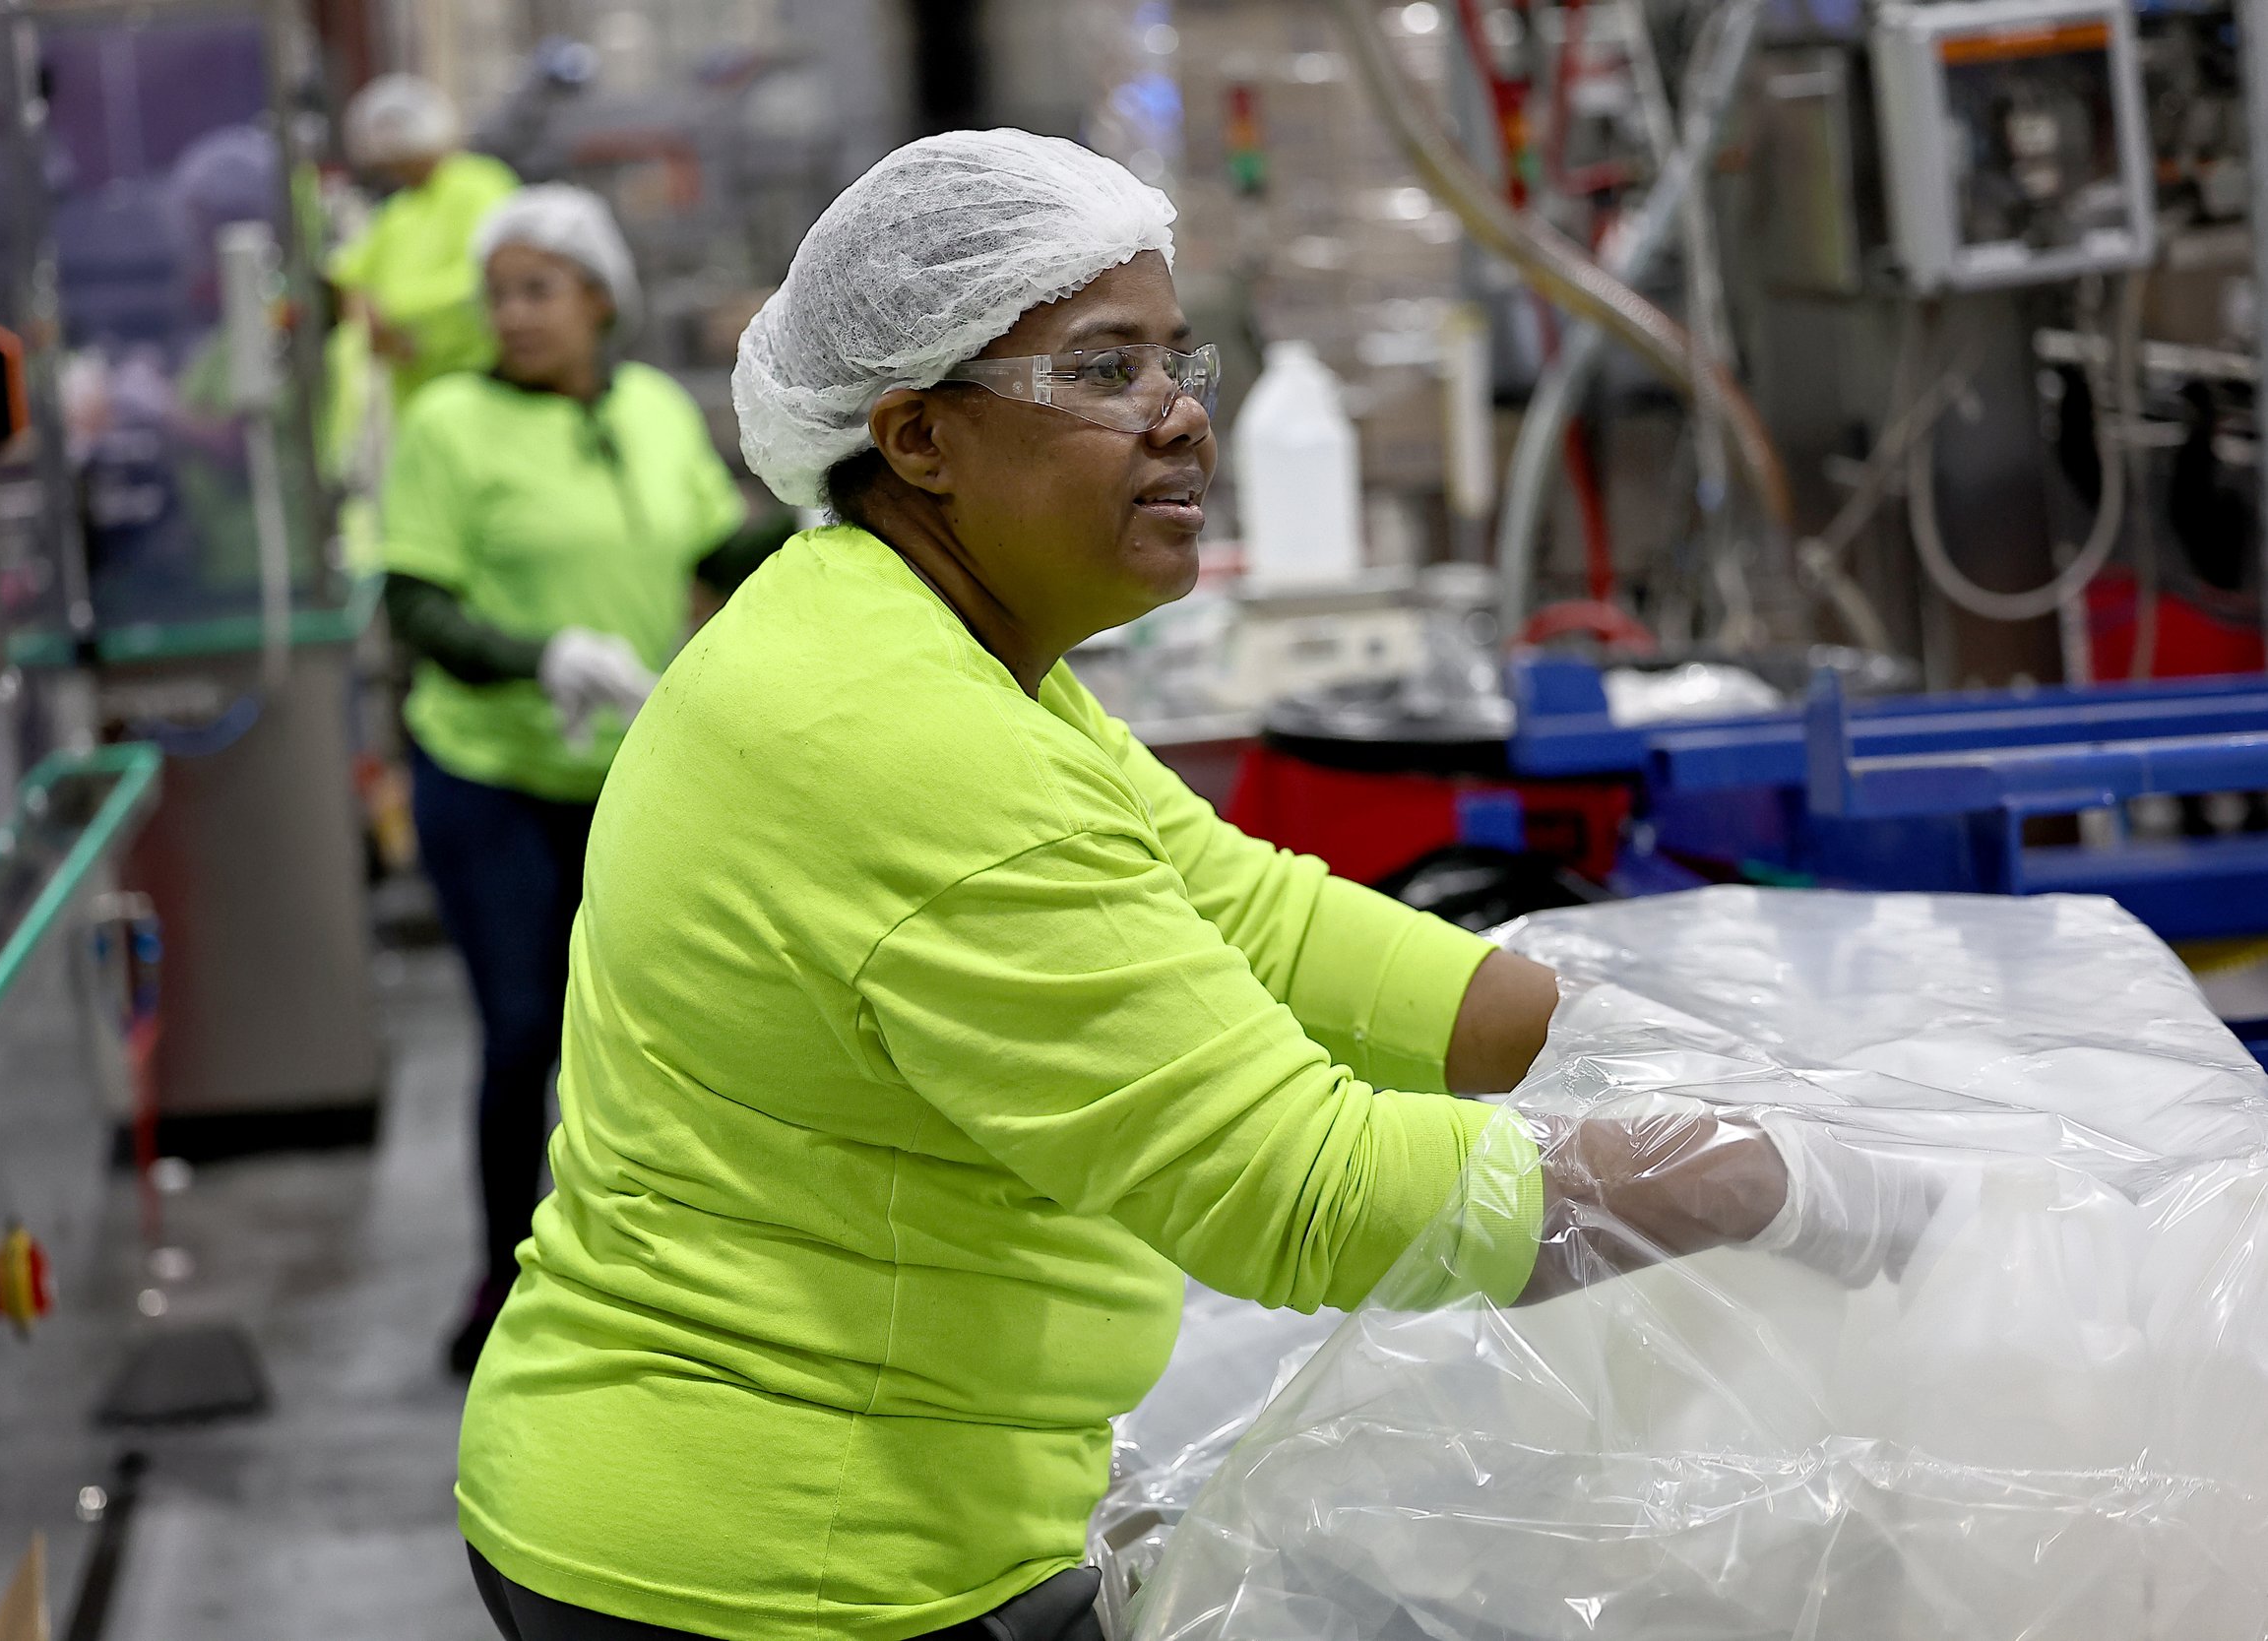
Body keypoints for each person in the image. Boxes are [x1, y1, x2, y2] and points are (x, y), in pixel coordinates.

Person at [455, 131, 1940, 1641]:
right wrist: (1756, 1176)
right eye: (1103, 372)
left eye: (1178, 362)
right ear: (916, 436)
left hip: (828, 1486)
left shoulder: (917, 642)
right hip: (777, 1560)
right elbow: (1296, 1188)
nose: (1180, 420)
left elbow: (1247, 909)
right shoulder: (899, 734)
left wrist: (1637, 1033)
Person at [380, 184, 763, 1374]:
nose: (515, 314)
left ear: (600, 299)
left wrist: (834, 498)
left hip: (629, 776)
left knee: (649, 1030)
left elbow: (708, 549)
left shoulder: (647, 408)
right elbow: (414, 601)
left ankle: (651, 1277)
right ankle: (503, 1280)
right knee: (518, 1033)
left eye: (539, 289)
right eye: (499, 293)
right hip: (489, 775)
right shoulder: (448, 423)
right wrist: (538, 654)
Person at [330, 74, 519, 410]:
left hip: (476, 384)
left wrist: (390, 313)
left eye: (400, 158)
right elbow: (350, 275)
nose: (394, 171)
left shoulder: (479, 186)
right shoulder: (400, 209)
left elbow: (484, 279)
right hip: (414, 393)